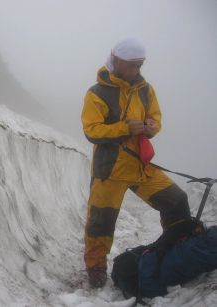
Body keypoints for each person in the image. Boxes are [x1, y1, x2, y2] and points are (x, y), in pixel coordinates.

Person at [81, 38, 191, 289]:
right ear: (116, 60)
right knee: (101, 223)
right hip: (109, 170)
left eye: (140, 64)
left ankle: (175, 252)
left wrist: (152, 127)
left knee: (177, 201)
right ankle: (96, 270)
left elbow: (156, 117)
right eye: (132, 65)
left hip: (142, 166)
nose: (137, 70)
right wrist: (124, 128)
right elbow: (91, 131)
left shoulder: (145, 89)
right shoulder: (97, 93)